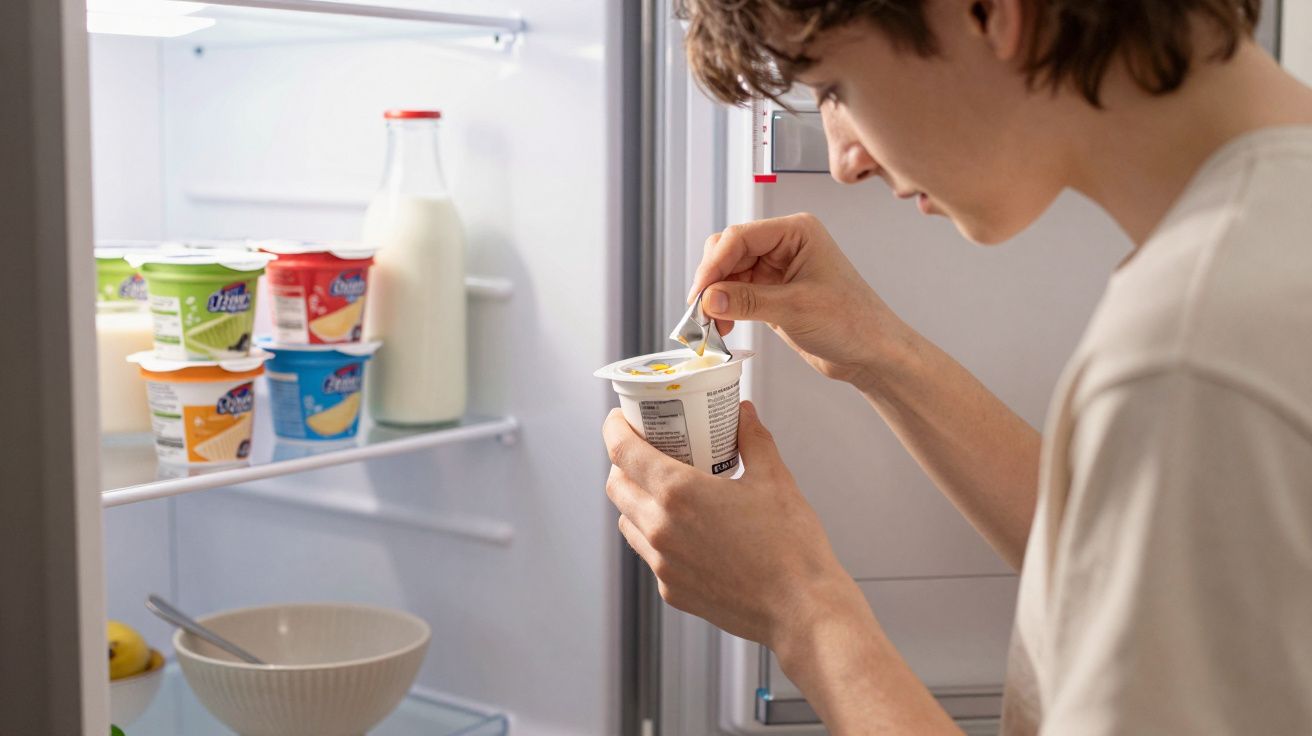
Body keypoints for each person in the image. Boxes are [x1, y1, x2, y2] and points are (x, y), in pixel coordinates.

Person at [602, 0, 1312, 733]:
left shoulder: (1194, 351)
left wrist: (801, 609)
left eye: (836, 87)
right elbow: (1150, 579)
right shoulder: (1265, 237)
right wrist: (879, 352)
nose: (846, 162)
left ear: (988, 13)